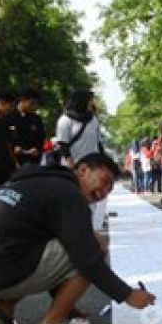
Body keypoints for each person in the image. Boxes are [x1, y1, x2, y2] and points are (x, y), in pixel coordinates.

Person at [0, 153, 155, 324]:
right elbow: (87, 258)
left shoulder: (38, 181)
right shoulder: (69, 194)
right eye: (104, 181)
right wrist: (127, 295)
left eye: (109, 191)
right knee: (93, 247)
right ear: (82, 170)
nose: (102, 193)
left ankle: (2, 313)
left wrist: (66, 302)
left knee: (40, 243)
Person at [54, 89, 108, 234]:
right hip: (72, 166)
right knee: (73, 198)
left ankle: (91, 229)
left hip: (92, 165)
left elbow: (98, 143)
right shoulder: (65, 120)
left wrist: (103, 163)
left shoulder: (93, 119)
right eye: (90, 100)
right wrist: (71, 164)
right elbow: (62, 145)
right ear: (82, 101)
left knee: (92, 197)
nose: (92, 103)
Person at [11, 88, 46, 166]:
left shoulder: (36, 119)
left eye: (36, 104)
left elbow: (41, 137)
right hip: (14, 162)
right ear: (22, 100)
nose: (34, 107)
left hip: (32, 161)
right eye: (32, 103)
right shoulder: (10, 117)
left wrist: (37, 149)